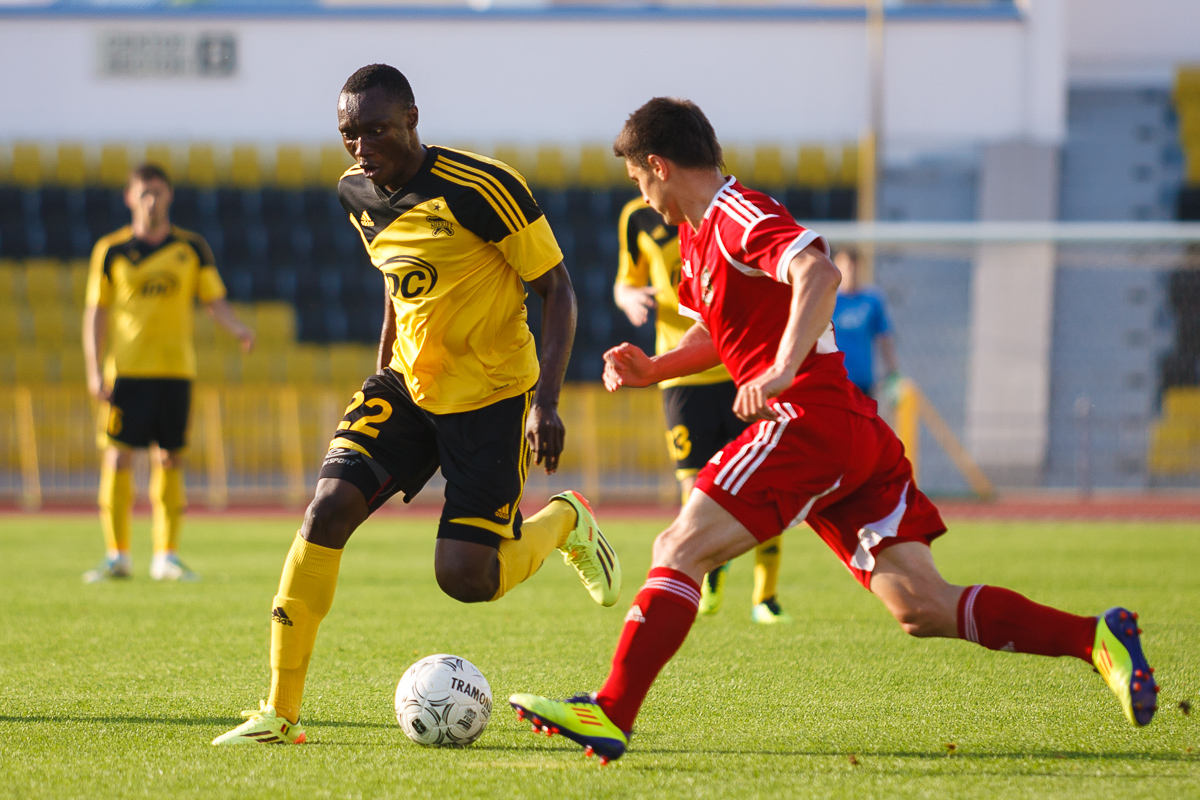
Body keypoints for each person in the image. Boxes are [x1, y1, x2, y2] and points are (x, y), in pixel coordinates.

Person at [508, 97, 1158, 763]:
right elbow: (716, 333)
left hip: (807, 418)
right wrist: (655, 368)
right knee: (923, 606)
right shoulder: (699, 237)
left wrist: (783, 367)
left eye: (639, 181)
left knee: (679, 545)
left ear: (659, 165)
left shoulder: (738, 212)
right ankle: (1095, 638)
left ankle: (612, 710)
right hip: (846, 430)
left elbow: (819, 272)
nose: (642, 197)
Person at [212, 64, 622, 746]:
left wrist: (545, 404)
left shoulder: (483, 187)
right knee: (325, 510)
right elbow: (395, 282)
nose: (361, 147)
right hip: (406, 385)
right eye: (349, 134)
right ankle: (279, 714)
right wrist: (382, 373)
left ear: (412, 119)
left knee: (465, 578)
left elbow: (558, 289)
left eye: (375, 130)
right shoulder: (354, 192)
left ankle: (564, 521)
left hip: (491, 396)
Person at [614, 197, 790, 623]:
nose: (640, 187)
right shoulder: (638, 216)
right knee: (695, 487)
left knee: (765, 480)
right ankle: (709, 573)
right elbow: (625, 281)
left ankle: (765, 597)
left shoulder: (724, 213)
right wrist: (630, 297)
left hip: (740, 366)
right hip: (680, 371)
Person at [82, 163, 254, 584]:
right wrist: (93, 369)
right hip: (126, 372)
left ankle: (167, 556)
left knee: (170, 457)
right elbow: (96, 312)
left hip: (176, 371)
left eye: (158, 192)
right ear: (129, 198)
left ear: (169, 196)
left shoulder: (191, 248)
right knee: (117, 457)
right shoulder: (111, 250)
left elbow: (213, 299)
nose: (151, 201)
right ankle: (117, 555)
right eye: (144, 193)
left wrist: (236, 327)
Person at [831, 247, 899, 400]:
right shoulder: (829, 300)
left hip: (863, 382)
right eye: (845, 267)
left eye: (853, 267)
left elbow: (884, 337)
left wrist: (893, 373)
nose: (850, 272)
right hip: (834, 381)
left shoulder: (872, 300)